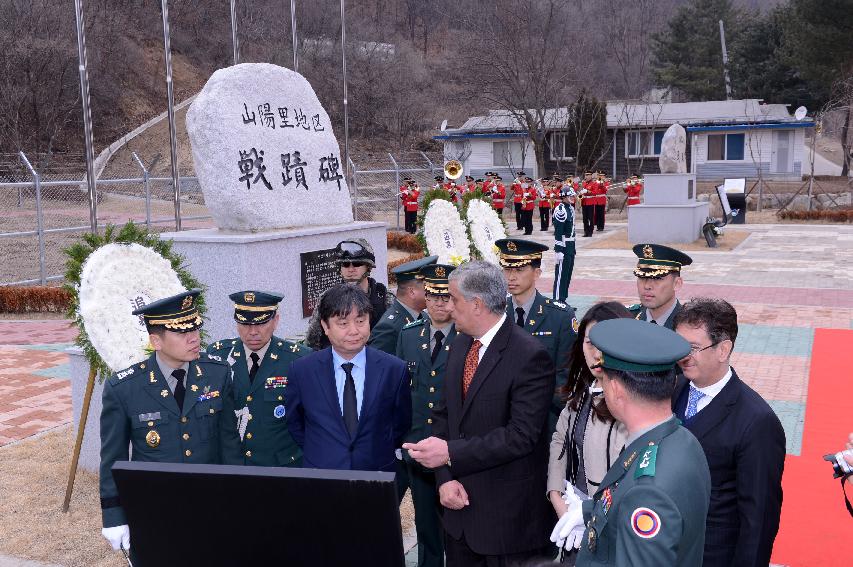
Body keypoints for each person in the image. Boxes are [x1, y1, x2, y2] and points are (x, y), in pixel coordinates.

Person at [404, 261, 556, 566]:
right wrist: (445, 478)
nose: (448, 308)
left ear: (477, 304)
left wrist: (449, 454)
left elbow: (520, 437)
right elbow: (444, 416)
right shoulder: (461, 344)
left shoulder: (529, 355)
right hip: (458, 516)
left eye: (454, 300)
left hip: (506, 526)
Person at [551, 318, 711, 567]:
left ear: (615, 389)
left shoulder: (647, 493)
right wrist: (588, 512)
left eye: (603, 381)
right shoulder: (681, 439)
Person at [99, 290, 241, 557]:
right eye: (181, 332)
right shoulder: (125, 388)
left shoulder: (217, 374)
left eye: (195, 328)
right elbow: (112, 458)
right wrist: (113, 514)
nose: (194, 338)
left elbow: (229, 444)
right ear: (156, 341)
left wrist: (238, 498)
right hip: (153, 509)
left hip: (211, 505)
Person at [672, 298, 786, 567]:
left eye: (693, 348)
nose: (683, 356)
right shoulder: (673, 390)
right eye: (679, 345)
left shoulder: (757, 421)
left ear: (723, 350)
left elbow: (758, 520)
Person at [286, 284, 412, 473]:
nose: (354, 331)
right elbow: (296, 423)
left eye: (360, 321)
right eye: (343, 323)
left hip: (376, 474)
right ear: (325, 326)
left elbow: (400, 424)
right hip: (321, 474)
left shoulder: (394, 369)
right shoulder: (303, 371)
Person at [548, 302, 631, 565]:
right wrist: (557, 498)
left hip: (614, 528)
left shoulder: (634, 400)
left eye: (603, 344)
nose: (595, 353)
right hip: (573, 521)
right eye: (588, 343)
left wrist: (589, 515)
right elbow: (559, 441)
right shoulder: (583, 391)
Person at [207, 290, 312, 466]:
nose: (253, 332)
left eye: (261, 323)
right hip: (234, 467)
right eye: (245, 324)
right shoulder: (218, 356)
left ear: (275, 321)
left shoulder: (299, 359)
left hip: (281, 467)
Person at [397, 263, 458, 567]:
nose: (438, 304)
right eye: (432, 296)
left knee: (458, 531)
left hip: (454, 451)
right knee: (427, 531)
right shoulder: (409, 336)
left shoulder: (467, 338)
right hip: (418, 449)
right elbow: (398, 393)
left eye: (445, 297)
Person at [496, 238, 577, 432]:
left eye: (519, 270)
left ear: (537, 273)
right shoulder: (495, 314)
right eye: (507, 269)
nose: (511, 277)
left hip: (544, 420)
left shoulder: (560, 317)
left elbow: (566, 375)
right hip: (500, 421)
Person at [305, 238, 393, 349]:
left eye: (357, 264)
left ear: (368, 267)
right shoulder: (327, 298)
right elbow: (312, 341)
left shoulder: (385, 298)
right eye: (345, 265)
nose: (351, 270)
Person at [369, 255, 437, 355]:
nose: (434, 292)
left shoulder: (422, 316)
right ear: (412, 292)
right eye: (429, 288)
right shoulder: (390, 327)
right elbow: (379, 366)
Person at [627, 243, 692, 329]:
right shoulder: (627, 318)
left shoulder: (690, 327)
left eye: (657, 278)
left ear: (677, 284)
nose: (647, 286)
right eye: (642, 277)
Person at [552, 185, 577, 303]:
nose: (572, 197)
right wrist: (558, 250)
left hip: (571, 246)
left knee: (567, 275)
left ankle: (563, 299)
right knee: (561, 276)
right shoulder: (560, 210)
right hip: (564, 246)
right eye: (570, 195)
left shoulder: (570, 208)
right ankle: (557, 301)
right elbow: (558, 231)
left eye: (572, 195)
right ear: (564, 196)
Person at [578, 172, 594, 237]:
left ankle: (590, 232)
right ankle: (586, 231)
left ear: (591, 176)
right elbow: (580, 191)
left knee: (590, 218)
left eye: (588, 175)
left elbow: (595, 192)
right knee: (585, 218)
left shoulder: (594, 183)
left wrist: (587, 191)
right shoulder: (584, 184)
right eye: (585, 175)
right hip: (584, 202)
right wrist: (580, 192)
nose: (586, 177)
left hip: (590, 202)